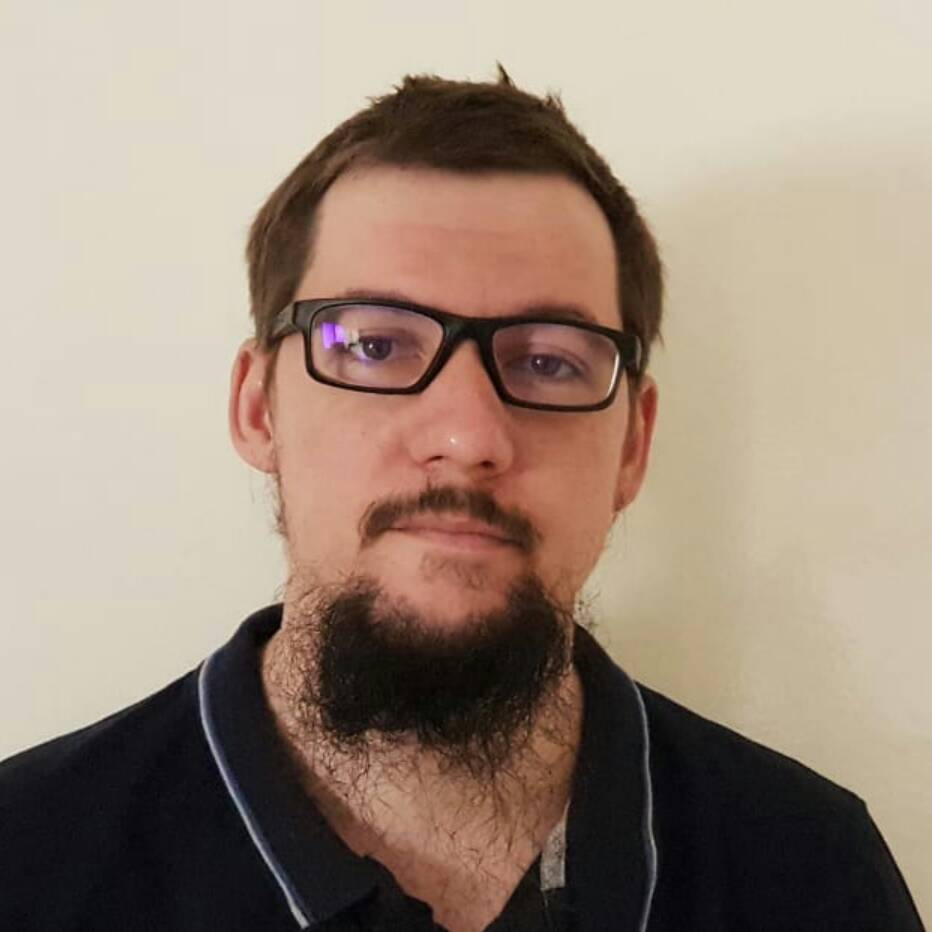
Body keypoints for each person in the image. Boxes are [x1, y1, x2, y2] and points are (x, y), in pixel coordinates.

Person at [0, 67, 924, 932]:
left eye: (549, 361)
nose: (469, 434)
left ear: (633, 445)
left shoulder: (813, 873)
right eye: (374, 345)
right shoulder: (24, 862)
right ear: (258, 408)